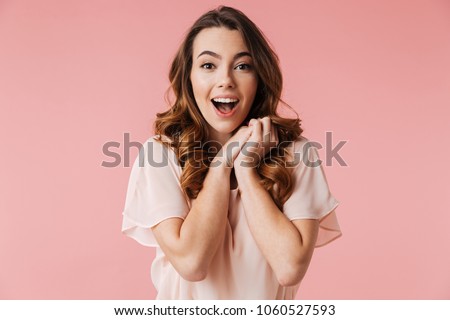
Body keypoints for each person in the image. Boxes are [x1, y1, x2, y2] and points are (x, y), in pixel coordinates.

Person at [121, 5, 342, 299]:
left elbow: (289, 267)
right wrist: (222, 163)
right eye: (208, 65)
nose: (226, 80)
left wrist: (247, 170)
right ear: (189, 77)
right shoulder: (160, 154)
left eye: (242, 66)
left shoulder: (298, 155)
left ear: (259, 77)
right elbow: (191, 263)